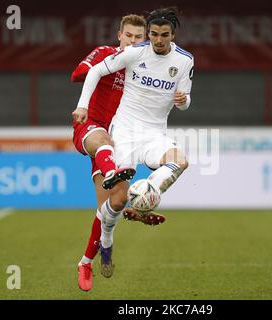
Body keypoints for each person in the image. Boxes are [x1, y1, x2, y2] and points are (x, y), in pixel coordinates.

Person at [74, 6, 194, 282]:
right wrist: (82, 106)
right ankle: (105, 243)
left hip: (154, 133)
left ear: (172, 34)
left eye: (164, 35)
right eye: (153, 35)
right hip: (124, 132)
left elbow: (186, 101)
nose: (158, 40)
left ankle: (147, 190)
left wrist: (183, 101)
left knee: (182, 160)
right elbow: (93, 73)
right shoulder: (134, 53)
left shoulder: (185, 60)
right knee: (115, 201)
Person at [72, 14, 163, 293]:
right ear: (119, 35)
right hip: (90, 126)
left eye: (139, 38)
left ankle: (87, 261)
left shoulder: (145, 66)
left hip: (120, 138)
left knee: (112, 204)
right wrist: (105, 67)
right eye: (129, 36)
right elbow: (77, 74)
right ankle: (112, 173)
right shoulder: (106, 53)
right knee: (103, 144)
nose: (133, 42)